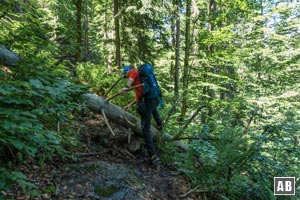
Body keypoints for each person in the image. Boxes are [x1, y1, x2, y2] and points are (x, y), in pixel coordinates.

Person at [119, 65, 163, 163]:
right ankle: (160, 125)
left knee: (145, 129)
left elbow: (133, 73)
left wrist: (126, 87)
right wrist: (129, 105)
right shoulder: (141, 80)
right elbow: (139, 97)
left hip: (149, 102)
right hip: (155, 99)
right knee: (151, 108)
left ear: (127, 72)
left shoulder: (133, 72)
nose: (127, 76)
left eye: (126, 75)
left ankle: (153, 155)